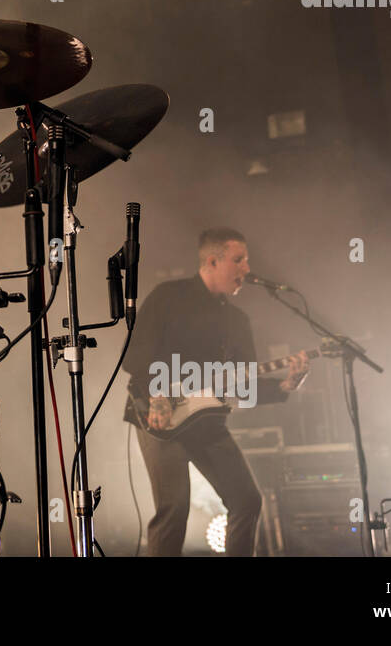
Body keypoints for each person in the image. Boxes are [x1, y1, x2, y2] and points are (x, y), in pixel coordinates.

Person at [122, 228, 309, 556]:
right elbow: (135, 354)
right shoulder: (168, 296)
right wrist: (157, 395)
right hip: (160, 420)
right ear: (212, 261)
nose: (246, 269)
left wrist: (285, 384)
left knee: (247, 500)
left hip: (207, 422)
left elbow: (243, 385)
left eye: (246, 261)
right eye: (238, 260)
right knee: (174, 509)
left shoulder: (236, 320)